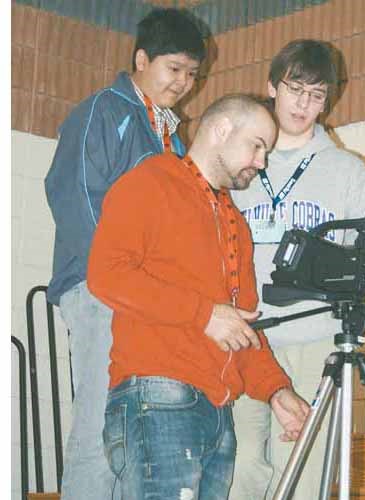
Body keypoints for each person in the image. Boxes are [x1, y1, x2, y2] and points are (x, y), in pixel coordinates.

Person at [86, 94, 309, 500]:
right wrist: (204, 314)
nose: (261, 162)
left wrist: (277, 389)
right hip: (158, 400)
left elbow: (240, 326)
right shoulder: (148, 182)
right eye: (257, 145)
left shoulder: (236, 224)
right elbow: (105, 275)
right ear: (222, 130)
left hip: (217, 414)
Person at [44, 8, 206, 499]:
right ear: (141, 59)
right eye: (174, 69)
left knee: (132, 434)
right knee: (97, 431)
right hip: (102, 293)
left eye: (193, 74)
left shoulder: (173, 138)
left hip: (145, 302)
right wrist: (120, 280)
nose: (184, 83)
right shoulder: (103, 111)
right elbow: (75, 196)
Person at [230, 39, 365, 499]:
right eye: (296, 89)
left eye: (317, 95)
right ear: (272, 87)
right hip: (246, 335)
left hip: (316, 339)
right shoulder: (241, 162)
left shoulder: (348, 170)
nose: (304, 104)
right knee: (241, 469)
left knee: (302, 469)